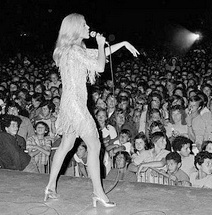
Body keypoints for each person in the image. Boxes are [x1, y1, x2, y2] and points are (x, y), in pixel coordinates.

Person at [44, 13, 139, 207]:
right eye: (85, 25)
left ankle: (51, 187)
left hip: (70, 103)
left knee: (66, 146)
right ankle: (98, 193)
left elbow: (97, 54)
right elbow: (100, 65)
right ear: (76, 29)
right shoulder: (73, 50)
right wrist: (102, 44)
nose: (88, 27)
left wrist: (123, 44)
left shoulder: (74, 49)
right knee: (94, 145)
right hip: (75, 105)